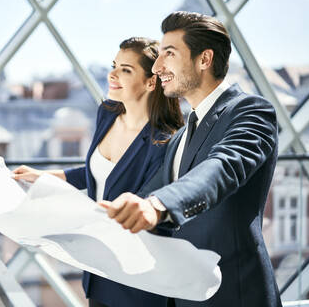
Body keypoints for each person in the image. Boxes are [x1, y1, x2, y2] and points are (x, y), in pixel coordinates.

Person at [99, 11, 282, 307]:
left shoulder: (251, 111)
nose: (157, 67)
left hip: (233, 295)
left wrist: (157, 205)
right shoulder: (179, 137)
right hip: (184, 295)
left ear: (204, 59)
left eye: (168, 54)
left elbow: (222, 167)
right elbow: (143, 195)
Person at [12, 37, 184, 307]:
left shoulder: (162, 143)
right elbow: (99, 172)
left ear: (152, 82)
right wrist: (44, 176)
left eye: (126, 70)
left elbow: (142, 210)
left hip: (135, 279)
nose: (112, 74)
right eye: (114, 65)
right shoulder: (107, 113)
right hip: (97, 270)